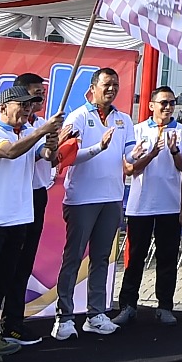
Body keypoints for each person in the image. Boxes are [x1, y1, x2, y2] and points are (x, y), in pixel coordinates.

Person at [0, 82, 62, 362]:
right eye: (21, 104)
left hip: (19, 217)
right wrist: (40, 132)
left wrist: (51, 145)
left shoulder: (25, 134)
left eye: (30, 105)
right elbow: (9, 152)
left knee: (2, 281)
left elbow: (45, 157)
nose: (27, 110)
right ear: (3, 108)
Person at [56, 67, 133, 339]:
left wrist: (142, 152)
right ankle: (63, 316)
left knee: (101, 257)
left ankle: (96, 314)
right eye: (106, 84)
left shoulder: (124, 120)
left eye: (115, 84)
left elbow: (129, 157)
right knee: (74, 256)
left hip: (112, 197)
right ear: (93, 87)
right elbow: (66, 158)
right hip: (82, 198)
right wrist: (98, 147)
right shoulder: (78, 117)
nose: (111, 89)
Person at [119, 86, 182, 325]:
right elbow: (129, 169)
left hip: (170, 205)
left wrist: (174, 150)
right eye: (163, 103)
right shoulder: (137, 131)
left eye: (171, 103)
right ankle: (128, 305)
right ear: (151, 105)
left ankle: (165, 306)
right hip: (141, 205)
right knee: (135, 257)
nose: (167, 107)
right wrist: (147, 155)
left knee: (167, 258)